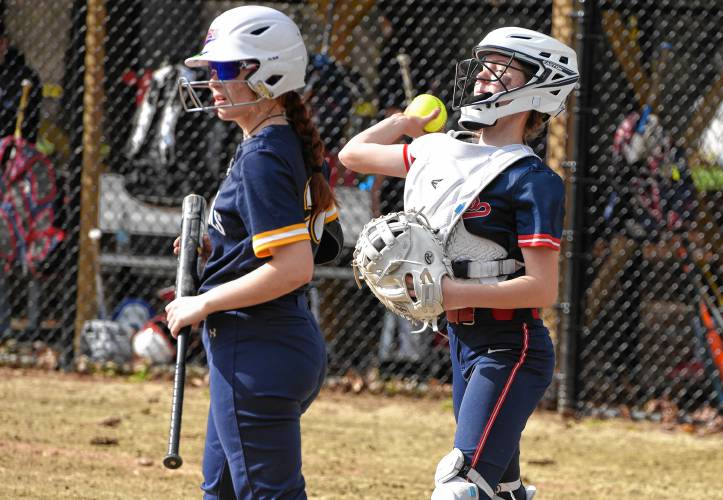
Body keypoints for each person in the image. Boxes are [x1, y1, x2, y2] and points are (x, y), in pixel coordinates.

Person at [339, 27, 579, 500]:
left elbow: (541, 288)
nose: (482, 82)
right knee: (501, 489)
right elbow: (353, 154)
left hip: (511, 347)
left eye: (500, 72)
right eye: (481, 70)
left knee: (460, 486)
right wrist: (406, 121)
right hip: (462, 343)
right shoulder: (440, 151)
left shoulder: (532, 180)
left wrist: (448, 292)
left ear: (538, 90)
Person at [166, 6, 342, 499]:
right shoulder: (273, 140)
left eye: (224, 70)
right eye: (210, 71)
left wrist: (201, 302)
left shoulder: (265, 154)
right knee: (219, 489)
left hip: (258, 347)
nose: (212, 83)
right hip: (267, 345)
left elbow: (294, 266)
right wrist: (219, 245)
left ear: (267, 72)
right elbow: (316, 240)